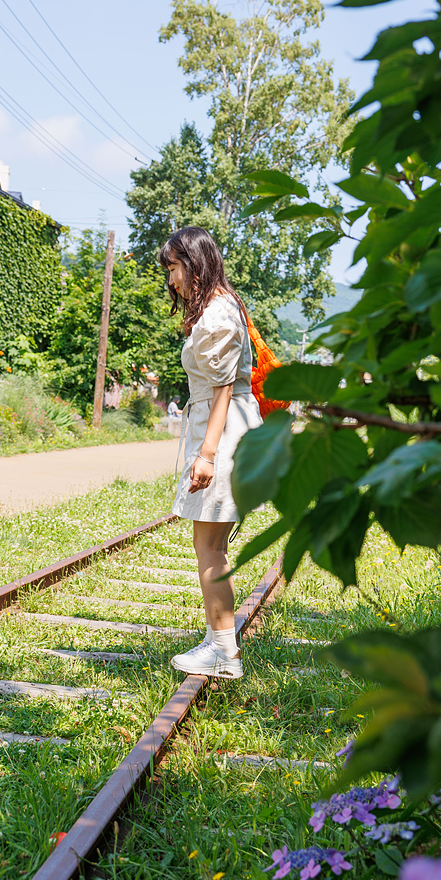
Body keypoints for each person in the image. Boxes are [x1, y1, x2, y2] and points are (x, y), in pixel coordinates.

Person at [158, 226, 262, 679]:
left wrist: (206, 454)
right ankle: (217, 638)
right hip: (227, 430)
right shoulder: (224, 306)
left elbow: (221, 391)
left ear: (195, 263)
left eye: (175, 268)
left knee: (210, 547)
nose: (171, 281)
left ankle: (224, 654)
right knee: (212, 544)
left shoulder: (218, 315)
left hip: (222, 434)